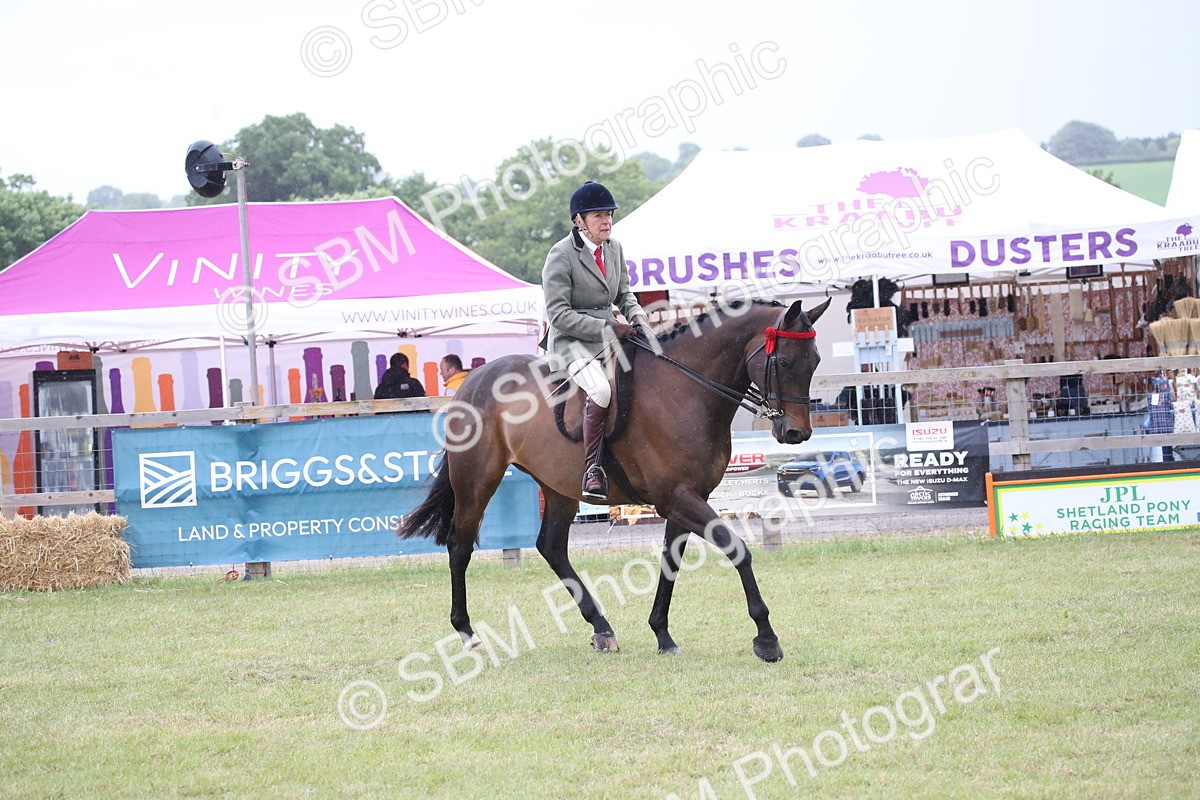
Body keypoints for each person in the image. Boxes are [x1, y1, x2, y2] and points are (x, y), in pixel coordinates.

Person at [543, 180, 652, 502]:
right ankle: (593, 469)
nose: (606, 222)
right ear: (579, 221)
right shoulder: (561, 255)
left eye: (609, 215)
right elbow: (559, 315)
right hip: (572, 343)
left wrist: (640, 320)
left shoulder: (614, 248)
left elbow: (624, 293)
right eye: (598, 216)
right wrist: (607, 328)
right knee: (602, 390)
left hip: (612, 337)